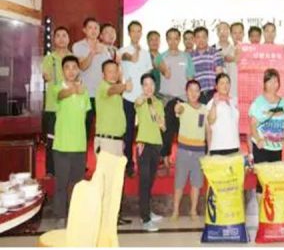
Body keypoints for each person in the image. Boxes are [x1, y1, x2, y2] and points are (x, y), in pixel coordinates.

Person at [95, 59, 133, 226]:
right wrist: (124, 86)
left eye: (115, 71)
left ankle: (114, 215)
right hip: (106, 141)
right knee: (106, 180)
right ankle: (104, 217)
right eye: (109, 71)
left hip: (117, 141)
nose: (113, 74)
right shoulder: (104, 87)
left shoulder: (117, 93)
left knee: (116, 180)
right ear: (103, 74)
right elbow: (112, 89)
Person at [53, 56, 91, 222]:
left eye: (74, 67)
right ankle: (60, 216)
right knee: (61, 184)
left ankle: (76, 216)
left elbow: (85, 116)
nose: (71, 71)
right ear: (62, 71)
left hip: (79, 146)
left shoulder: (84, 91)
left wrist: (79, 90)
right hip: (61, 146)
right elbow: (61, 95)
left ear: (78, 70)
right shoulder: (57, 88)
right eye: (67, 67)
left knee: (77, 184)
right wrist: (74, 90)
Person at [155, 28, 195, 168]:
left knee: (183, 133)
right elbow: (157, 72)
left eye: (175, 38)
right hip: (166, 99)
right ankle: (164, 158)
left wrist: (191, 99)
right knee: (166, 132)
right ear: (166, 40)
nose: (173, 41)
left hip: (183, 99)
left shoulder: (186, 57)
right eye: (170, 38)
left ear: (179, 40)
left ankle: (184, 160)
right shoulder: (161, 57)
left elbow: (190, 78)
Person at [118, 21, 153, 176]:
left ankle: (144, 163)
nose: (136, 34)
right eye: (133, 31)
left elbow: (148, 74)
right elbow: (130, 59)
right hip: (128, 97)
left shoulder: (146, 53)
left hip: (143, 98)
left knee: (145, 132)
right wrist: (136, 51)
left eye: (139, 31)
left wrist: (148, 93)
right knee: (128, 133)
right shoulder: (122, 51)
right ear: (129, 33)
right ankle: (128, 164)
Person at [249, 69, 284, 194]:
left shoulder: (283, 102)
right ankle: (262, 206)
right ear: (264, 83)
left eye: (275, 81)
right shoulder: (258, 102)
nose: (273, 84)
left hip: (277, 148)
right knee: (262, 182)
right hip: (262, 147)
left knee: (274, 181)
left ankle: (271, 206)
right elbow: (252, 125)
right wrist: (258, 139)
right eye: (270, 81)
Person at [172, 80, 207, 221]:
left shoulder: (204, 109)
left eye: (196, 90)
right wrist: (177, 108)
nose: (193, 93)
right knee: (179, 183)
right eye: (190, 90)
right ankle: (175, 211)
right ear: (186, 92)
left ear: (200, 93)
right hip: (183, 150)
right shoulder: (183, 106)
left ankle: (193, 211)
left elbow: (208, 129)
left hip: (199, 151)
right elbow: (178, 110)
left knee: (196, 184)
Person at [135, 74, 166, 232]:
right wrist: (143, 99)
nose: (149, 87)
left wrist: (160, 121)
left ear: (155, 86)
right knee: (144, 181)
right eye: (145, 84)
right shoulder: (140, 101)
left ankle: (147, 211)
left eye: (151, 84)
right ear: (142, 87)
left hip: (156, 145)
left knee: (150, 181)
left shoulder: (158, 103)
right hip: (143, 145)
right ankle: (145, 219)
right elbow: (138, 103)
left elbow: (163, 127)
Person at [73, 17, 112, 141]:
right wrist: (92, 53)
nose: (93, 30)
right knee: (84, 128)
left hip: (101, 94)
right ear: (84, 30)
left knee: (103, 130)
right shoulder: (78, 46)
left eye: (96, 28)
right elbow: (82, 67)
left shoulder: (104, 48)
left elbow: (108, 71)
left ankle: (102, 153)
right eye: (90, 27)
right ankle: (81, 154)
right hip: (85, 94)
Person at [41, 26, 72, 177]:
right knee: (52, 139)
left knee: (69, 139)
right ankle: (50, 170)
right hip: (53, 106)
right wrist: (46, 75)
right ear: (53, 39)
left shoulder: (73, 58)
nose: (61, 38)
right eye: (58, 36)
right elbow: (45, 75)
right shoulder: (49, 58)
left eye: (64, 35)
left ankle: (67, 169)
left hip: (70, 106)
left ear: (68, 39)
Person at [206, 73, 240, 155]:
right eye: (222, 83)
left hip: (234, 146)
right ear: (216, 86)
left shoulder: (233, 101)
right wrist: (214, 104)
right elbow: (210, 122)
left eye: (227, 83)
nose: (225, 86)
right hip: (218, 147)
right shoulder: (212, 103)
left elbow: (236, 126)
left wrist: (239, 147)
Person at [189, 26, 224, 105]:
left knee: (215, 112)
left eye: (203, 37)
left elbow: (219, 74)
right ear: (194, 39)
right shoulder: (190, 56)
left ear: (207, 38)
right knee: (201, 113)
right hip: (198, 94)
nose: (201, 40)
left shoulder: (215, 52)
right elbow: (190, 78)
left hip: (214, 92)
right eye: (198, 37)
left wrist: (219, 92)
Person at [225, 22, 244, 98]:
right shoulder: (227, 50)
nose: (238, 36)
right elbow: (227, 58)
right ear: (231, 35)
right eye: (235, 33)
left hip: (247, 89)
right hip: (231, 92)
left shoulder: (250, 49)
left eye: (240, 32)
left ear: (243, 34)